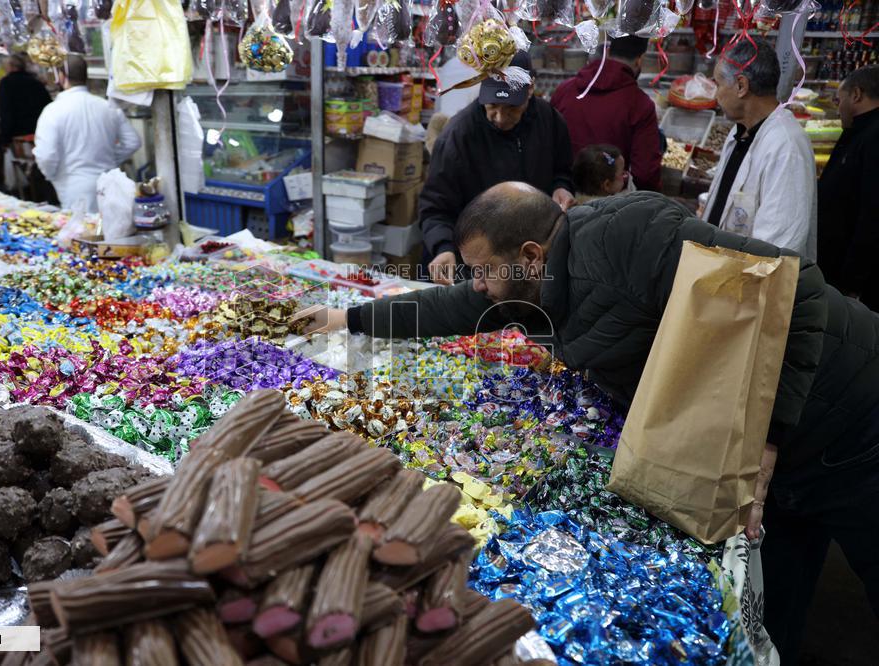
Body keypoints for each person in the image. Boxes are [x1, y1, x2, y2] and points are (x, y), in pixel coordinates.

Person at [297, 183, 879, 663]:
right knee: (772, 591)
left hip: (849, 417)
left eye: (481, 270)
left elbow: (796, 289)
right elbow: (455, 306)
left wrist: (769, 441)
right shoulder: (530, 282)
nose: (475, 284)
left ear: (529, 253)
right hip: (773, 448)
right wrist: (345, 315)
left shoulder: (629, 238)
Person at [419, 51, 575, 285]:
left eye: (511, 107)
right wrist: (443, 248)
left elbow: (563, 171)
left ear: (530, 89)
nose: (500, 117)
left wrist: (561, 186)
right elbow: (435, 206)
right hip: (477, 268)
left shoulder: (550, 122)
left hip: (532, 262)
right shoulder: (459, 136)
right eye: (492, 105)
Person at [702, 37, 817, 259]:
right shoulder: (741, 132)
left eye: (718, 84)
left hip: (749, 283)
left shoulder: (786, 145)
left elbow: (778, 246)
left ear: (741, 86)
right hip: (719, 270)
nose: (715, 95)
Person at [551, 36, 662, 192]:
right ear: (640, 60)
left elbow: (548, 147)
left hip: (562, 195)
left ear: (608, 52)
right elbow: (645, 173)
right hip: (609, 202)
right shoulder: (640, 104)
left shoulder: (564, 90)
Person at [33, 55, 141, 213]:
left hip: (74, 187)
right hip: (110, 183)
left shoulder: (52, 111)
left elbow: (46, 155)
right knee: (112, 232)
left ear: (61, 76)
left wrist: (53, 175)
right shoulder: (107, 106)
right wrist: (110, 159)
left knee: (82, 233)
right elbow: (133, 142)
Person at [816, 65, 879, 311]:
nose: (837, 107)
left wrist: (852, 281)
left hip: (850, 282)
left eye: (839, 99)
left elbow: (871, 215)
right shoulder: (858, 131)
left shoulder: (873, 138)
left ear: (856, 95)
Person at [0, 55, 53, 148]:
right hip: (39, 133)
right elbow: (48, 107)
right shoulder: (36, 82)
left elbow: (6, 112)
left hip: (18, 135)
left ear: (11, 67)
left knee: (21, 161)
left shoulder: (6, 83)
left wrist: (4, 139)